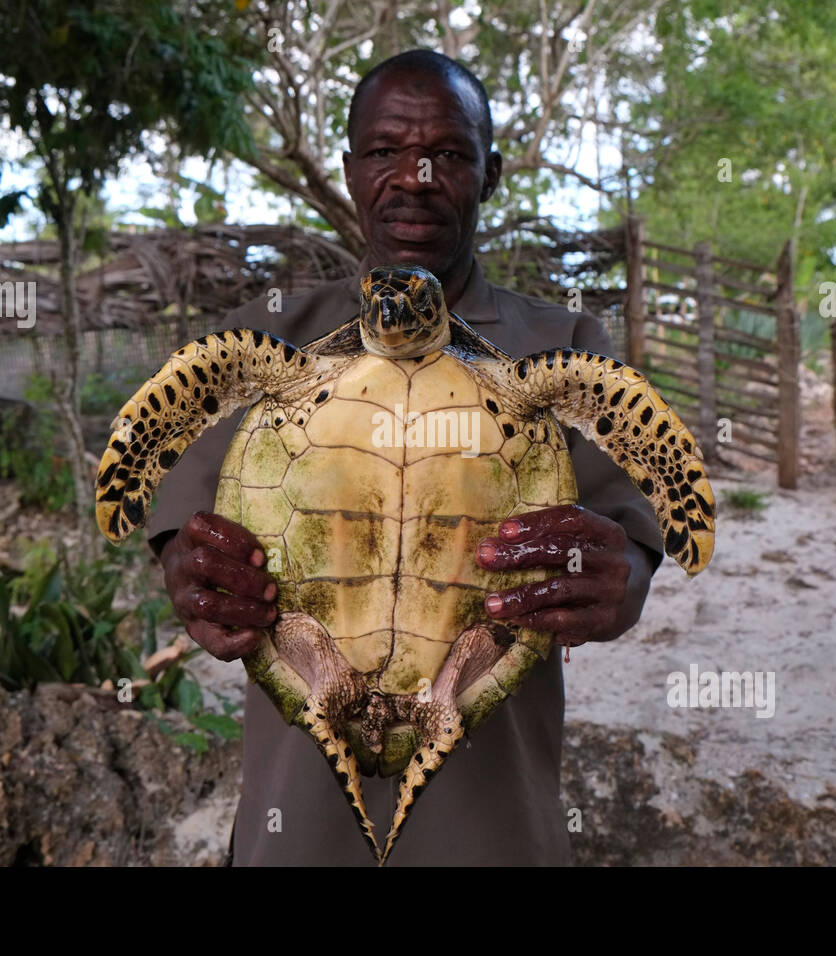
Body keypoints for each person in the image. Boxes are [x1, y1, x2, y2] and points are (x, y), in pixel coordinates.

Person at [145, 49, 664, 865]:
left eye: (448, 154)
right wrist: (189, 571)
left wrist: (621, 579)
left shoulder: (562, 347)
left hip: (493, 824)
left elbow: (634, 548)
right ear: (351, 171)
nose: (416, 176)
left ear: (489, 173)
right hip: (301, 825)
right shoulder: (264, 341)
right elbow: (178, 534)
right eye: (386, 150)